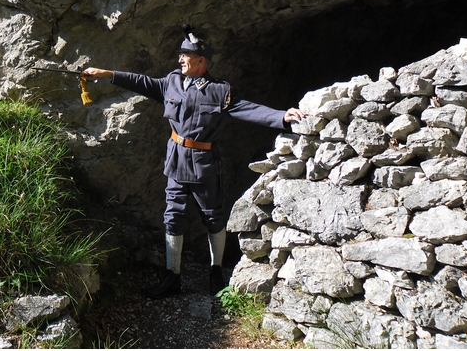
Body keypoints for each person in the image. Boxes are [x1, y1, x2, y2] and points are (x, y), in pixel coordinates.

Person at [82, 25, 305, 299]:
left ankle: (215, 273)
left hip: (203, 165)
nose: (180, 60)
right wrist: (105, 74)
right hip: (176, 162)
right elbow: (141, 81)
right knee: (173, 218)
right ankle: (171, 276)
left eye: (185, 56)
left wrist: (283, 116)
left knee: (212, 218)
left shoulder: (221, 91)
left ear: (201, 61)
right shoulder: (172, 82)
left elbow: (249, 109)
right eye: (180, 55)